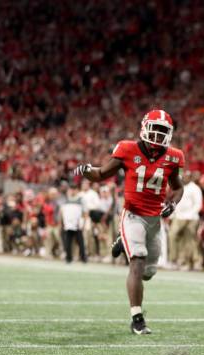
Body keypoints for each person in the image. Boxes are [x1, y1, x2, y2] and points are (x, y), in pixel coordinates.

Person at [74, 109, 185, 335]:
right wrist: (87, 171)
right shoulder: (127, 149)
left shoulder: (174, 156)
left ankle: (122, 244)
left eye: (163, 131)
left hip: (155, 219)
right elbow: (102, 173)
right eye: (155, 129)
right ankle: (137, 318)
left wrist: (172, 203)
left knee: (149, 272)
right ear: (144, 128)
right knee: (137, 261)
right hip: (132, 215)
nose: (158, 135)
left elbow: (178, 187)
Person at [60, 184, 86, 264]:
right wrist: (63, 222)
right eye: (71, 189)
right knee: (67, 242)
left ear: (77, 190)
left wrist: (82, 223)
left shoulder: (81, 200)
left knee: (80, 242)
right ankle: (68, 258)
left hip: (77, 224)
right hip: (68, 224)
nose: (72, 191)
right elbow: (63, 212)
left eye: (74, 189)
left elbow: (84, 212)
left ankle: (83, 258)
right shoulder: (66, 200)